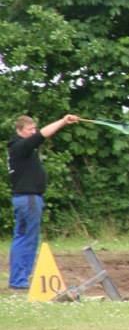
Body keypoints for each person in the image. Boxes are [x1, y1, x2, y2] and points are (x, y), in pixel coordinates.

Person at [7, 113, 79, 289]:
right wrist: (63, 121)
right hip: (29, 199)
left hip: (25, 199)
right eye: (29, 129)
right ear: (19, 131)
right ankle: (19, 280)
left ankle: (19, 278)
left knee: (23, 237)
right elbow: (42, 135)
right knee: (27, 239)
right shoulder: (20, 146)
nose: (33, 132)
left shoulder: (22, 148)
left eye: (34, 129)